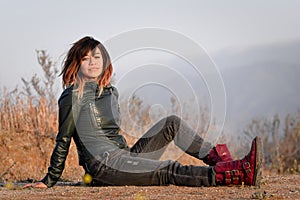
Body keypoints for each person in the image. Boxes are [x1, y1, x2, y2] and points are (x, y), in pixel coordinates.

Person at [24, 36, 262, 189]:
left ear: (104, 61)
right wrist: (49, 181)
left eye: (97, 57)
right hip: (104, 169)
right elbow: (63, 140)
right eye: (86, 59)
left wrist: (131, 157)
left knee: (171, 123)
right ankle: (231, 174)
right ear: (78, 64)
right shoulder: (71, 97)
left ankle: (224, 162)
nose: (93, 62)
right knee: (168, 169)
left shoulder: (110, 93)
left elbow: (113, 135)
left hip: (125, 158)